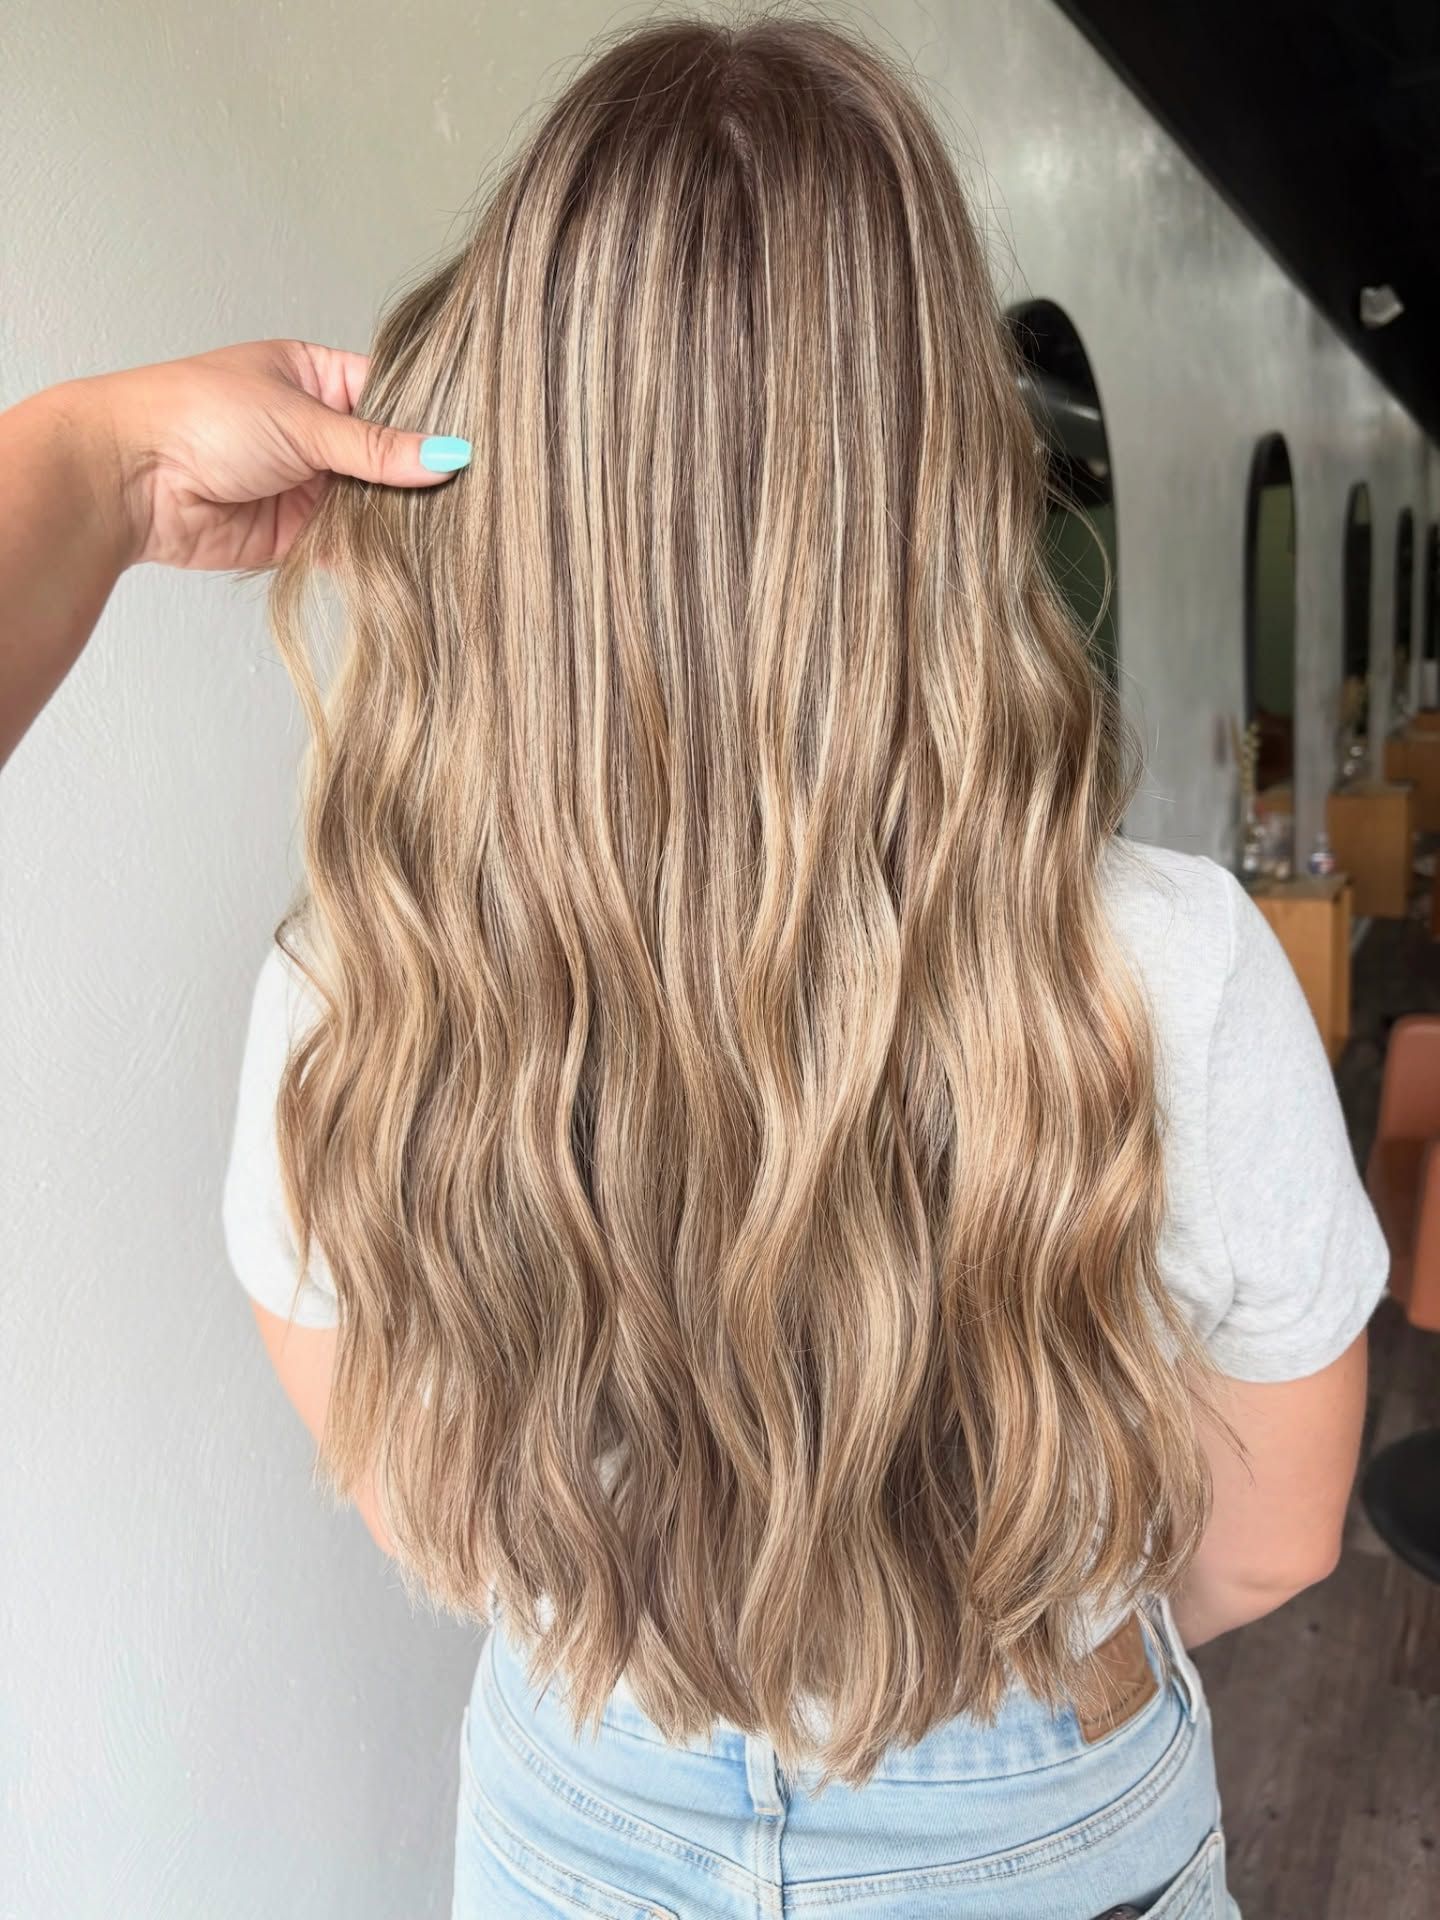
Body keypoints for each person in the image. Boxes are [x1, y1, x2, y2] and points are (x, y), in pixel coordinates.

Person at [3, 17, 1386, 1920]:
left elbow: (422, 1494)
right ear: (940, 471)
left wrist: (85, 458)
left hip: (580, 1809)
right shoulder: (1168, 965)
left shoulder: (363, 981)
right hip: (1043, 1817)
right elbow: (1278, 1535)